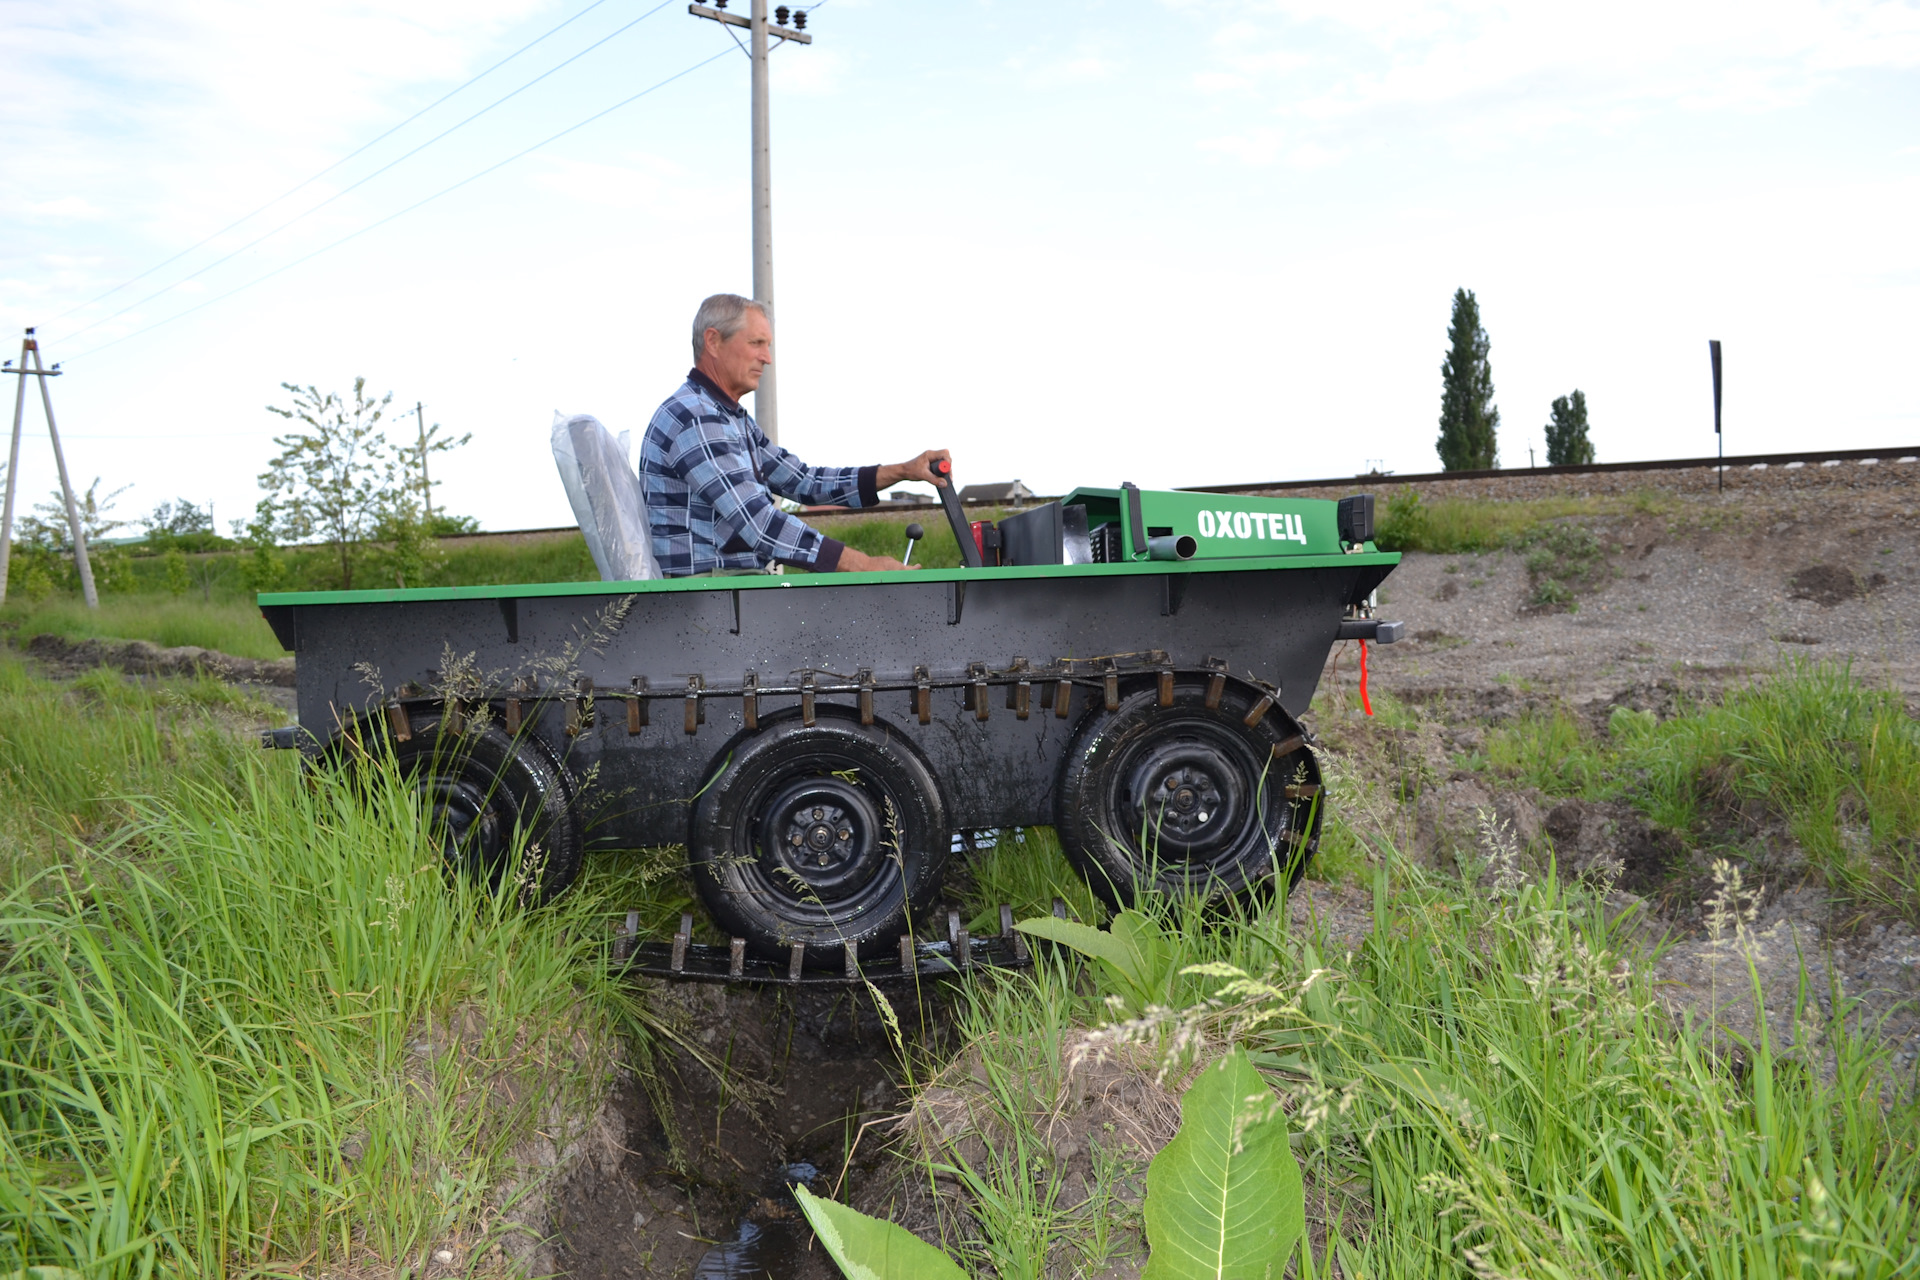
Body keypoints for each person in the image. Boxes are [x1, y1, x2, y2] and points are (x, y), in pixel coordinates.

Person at [640, 294, 949, 576]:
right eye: (756, 343)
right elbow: (758, 523)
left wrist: (904, 471)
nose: (767, 358)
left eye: (768, 346)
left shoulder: (731, 419)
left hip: (731, 594)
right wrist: (864, 565)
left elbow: (804, 481)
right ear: (713, 341)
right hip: (703, 604)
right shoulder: (694, 416)